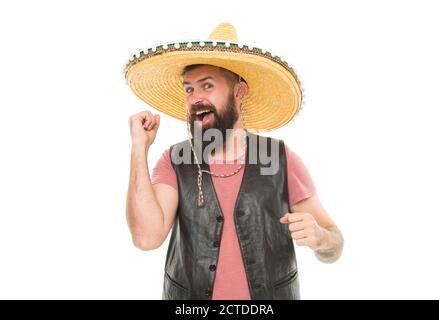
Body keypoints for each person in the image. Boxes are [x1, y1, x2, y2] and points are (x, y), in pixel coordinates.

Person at [125, 23, 343, 300]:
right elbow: (146, 238)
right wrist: (138, 148)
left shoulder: (281, 158)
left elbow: (335, 244)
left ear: (239, 92)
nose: (195, 98)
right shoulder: (174, 161)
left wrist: (322, 238)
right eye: (189, 89)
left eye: (207, 85)